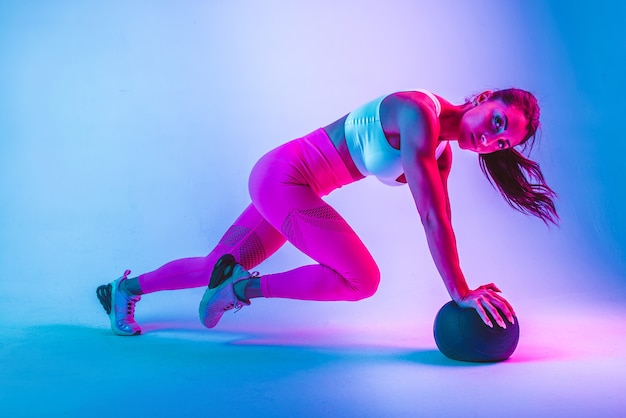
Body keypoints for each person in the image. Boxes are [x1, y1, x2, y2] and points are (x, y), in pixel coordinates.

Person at [97, 88, 558, 336]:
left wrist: (465, 284)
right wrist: (460, 291)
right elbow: (431, 217)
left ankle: (123, 290)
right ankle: (241, 289)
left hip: (283, 184)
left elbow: (443, 216)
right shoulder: (420, 114)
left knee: (211, 264)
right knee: (363, 279)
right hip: (284, 179)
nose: (492, 139)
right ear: (483, 98)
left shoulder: (441, 153)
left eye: (503, 142)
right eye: (497, 122)